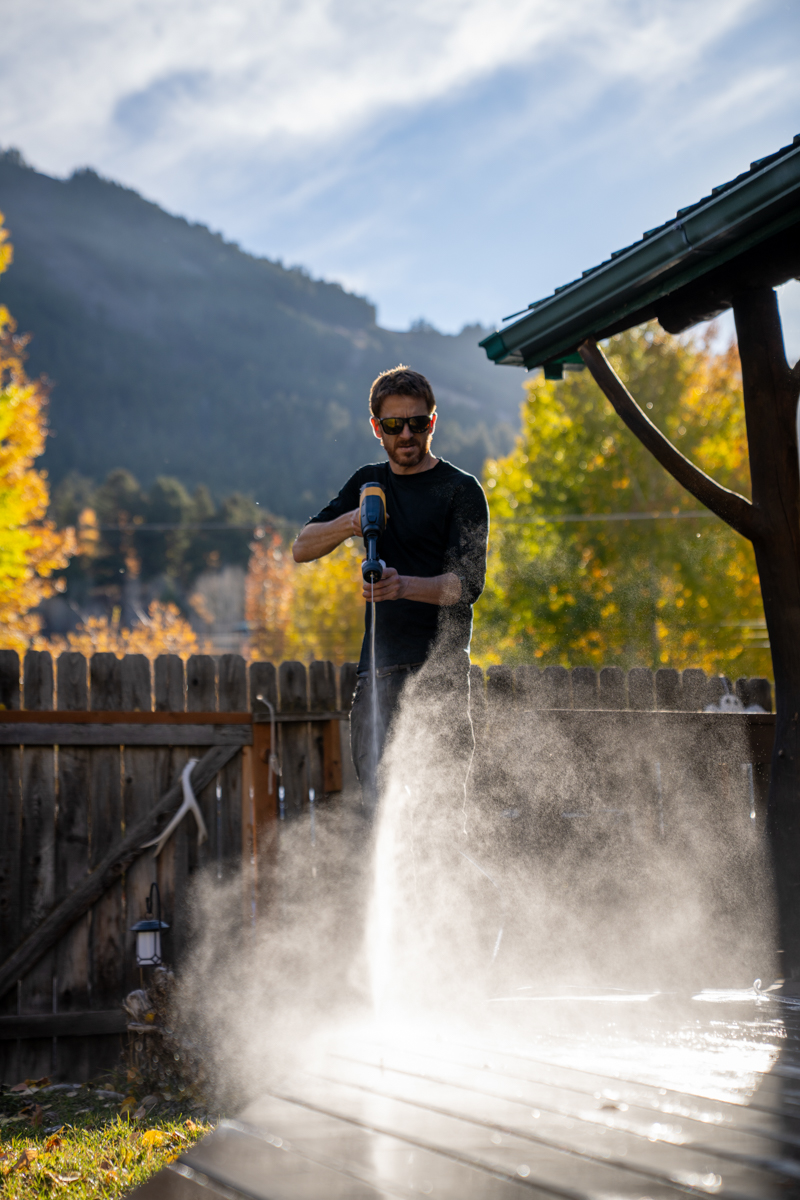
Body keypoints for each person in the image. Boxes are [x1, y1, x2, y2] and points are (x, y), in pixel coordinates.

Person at [292, 365, 489, 821]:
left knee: (438, 823)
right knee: (383, 824)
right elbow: (302, 548)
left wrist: (403, 586)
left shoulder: (461, 491)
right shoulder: (368, 483)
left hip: (438, 678)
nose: (406, 434)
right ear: (376, 428)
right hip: (375, 682)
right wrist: (349, 523)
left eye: (417, 423)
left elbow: (467, 586)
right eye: (393, 425)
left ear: (433, 423)